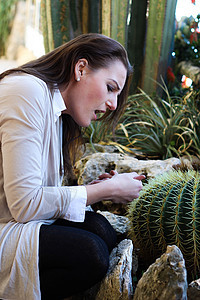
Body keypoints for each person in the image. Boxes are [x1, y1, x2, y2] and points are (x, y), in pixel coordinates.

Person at [0, 33, 145, 300]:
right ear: (81, 69)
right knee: (89, 254)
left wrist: (95, 189)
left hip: (17, 221)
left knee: (101, 230)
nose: (113, 104)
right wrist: (104, 191)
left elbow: (40, 195)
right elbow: (24, 204)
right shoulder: (27, 92)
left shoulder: (58, 115)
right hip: (5, 225)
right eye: (111, 87)